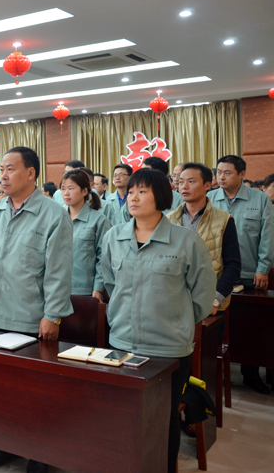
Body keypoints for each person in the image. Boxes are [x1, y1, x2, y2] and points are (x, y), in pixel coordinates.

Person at [101, 168, 216, 473]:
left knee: (164, 418)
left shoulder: (185, 240)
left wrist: (178, 320)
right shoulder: (114, 237)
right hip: (122, 343)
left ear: (161, 196)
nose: (133, 197)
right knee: (124, 414)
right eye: (131, 191)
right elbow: (110, 282)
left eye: (142, 191)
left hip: (168, 348)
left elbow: (203, 293)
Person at [0, 147, 73, 473]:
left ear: (31, 173)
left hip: (30, 317)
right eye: (1, 169)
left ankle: (40, 454)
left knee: (34, 392)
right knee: (1, 390)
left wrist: (52, 314)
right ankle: (6, 445)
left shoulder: (53, 215)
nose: (3, 175)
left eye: (10, 169)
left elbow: (59, 271)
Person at [208, 155, 274, 394]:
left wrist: (263, 268)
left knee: (250, 325)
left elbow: (267, 235)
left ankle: (250, 374)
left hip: (248, 273)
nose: (221, 177)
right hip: (217, 275)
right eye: (219, 172)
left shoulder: (260, 199)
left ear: (242, 174)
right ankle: (213, 372)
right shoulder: (210, 198)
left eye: (227, 173)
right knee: (216, 324)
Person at [168, 163, 241, 320]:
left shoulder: (224, 220)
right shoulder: (168, 220)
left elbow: (233, 265)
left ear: (207, 185)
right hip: (174, 304)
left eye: (191, 181)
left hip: (211, 306)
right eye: (181, 182)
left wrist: (215, 300)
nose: (184, 186)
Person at [60, 169, 111, 301]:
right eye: (63, 188)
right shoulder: (57, 218)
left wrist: (98, 288)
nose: (66, 193)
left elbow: (104, 258)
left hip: (85, 291)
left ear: (84, 191)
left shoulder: (99, 220)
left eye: (71, 188)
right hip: (57, 290)